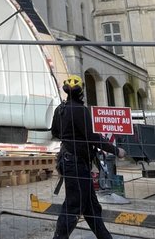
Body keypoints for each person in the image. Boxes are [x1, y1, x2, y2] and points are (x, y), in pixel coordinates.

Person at [50, 75, 126, 239]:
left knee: (91, 206)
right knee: (73, 206)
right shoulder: (80, 110)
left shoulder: (60, 109)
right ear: (81, 91)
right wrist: (115, 150)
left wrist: (69, 137)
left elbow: (54, 132)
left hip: (69, 161)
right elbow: (92, 137)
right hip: (76, 164)